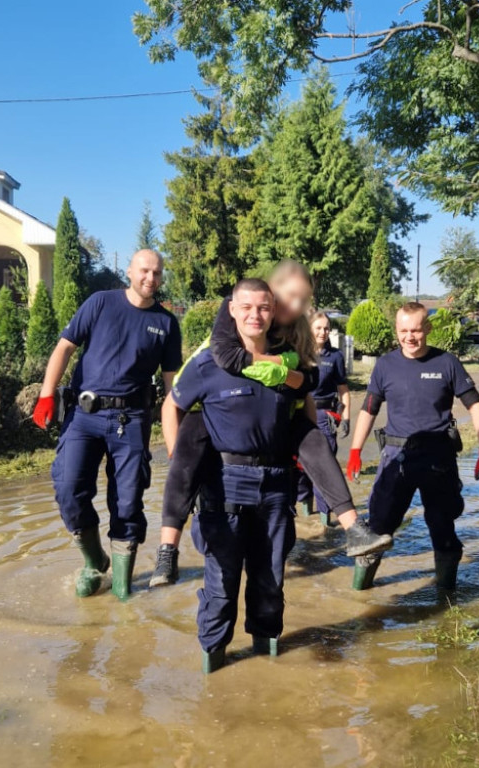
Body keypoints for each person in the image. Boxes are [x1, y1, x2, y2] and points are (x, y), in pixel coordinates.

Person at [149, 261, 392, 588]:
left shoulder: (294, 334)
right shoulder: (235, 315)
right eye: (290, 296)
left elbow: (307, 384)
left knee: (312, 436)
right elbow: (227, 358)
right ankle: (167, 550)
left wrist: (302, 445)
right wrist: (277, 366)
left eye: (303, 301)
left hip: (273, 423)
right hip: (211, 413)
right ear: (272, 290)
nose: (296, 306)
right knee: (185, 453)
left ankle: (354, 529)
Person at [163, 278, 300, 673]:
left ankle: (267, 669)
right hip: (224, 487)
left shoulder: (285, 364)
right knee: (222, 588)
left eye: (263, 307)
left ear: (272, 312)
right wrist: (179, 459)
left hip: (275, 487)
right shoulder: (208, 364)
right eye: (247, 307)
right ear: (233, 311)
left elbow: (305, 407)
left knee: (270, 584)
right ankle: (214, 668)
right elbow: (171, 407)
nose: (255, 315)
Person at [32, 249, 182, 601]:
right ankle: (93, 561)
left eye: (158, 273)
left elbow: (172, 384)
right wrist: (46, 395)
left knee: (128, 503)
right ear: (130, 271)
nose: (151, 278)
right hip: (84, 417)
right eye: (145, 270)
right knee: (69, 490)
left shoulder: (165, 323)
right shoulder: (100, 303)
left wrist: (180, 427)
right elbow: (64, 348)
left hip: (131, 420)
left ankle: (122, 592)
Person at [345, 302, 479, 591]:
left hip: (438, 459)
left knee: (443, 529)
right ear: (396, 330)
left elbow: (475, 404)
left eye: (416, 329)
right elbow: (368, 409)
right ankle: (359, 598)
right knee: (376, 531)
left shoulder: (447, 363)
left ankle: (446, 597)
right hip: (396, 458)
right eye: (403, 330)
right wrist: (354, 451)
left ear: (427, 328)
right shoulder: (385, 365)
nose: (410, 337)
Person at [294, 311, 351, 523]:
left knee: (324, 468)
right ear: (309, 329)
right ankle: (306, 509)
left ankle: (326, 521)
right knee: (299, 468)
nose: (323, 332)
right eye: (318, 327)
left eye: (326, 328)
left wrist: (346, 419)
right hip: (300, 416)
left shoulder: (335, 356)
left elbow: (343, 390)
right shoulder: (299, 353)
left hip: (325, 417)